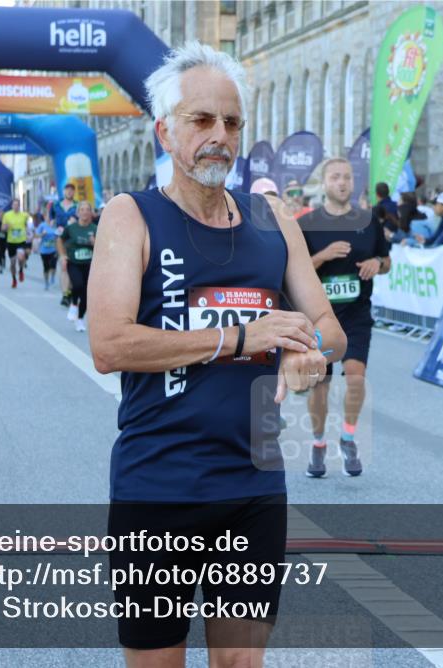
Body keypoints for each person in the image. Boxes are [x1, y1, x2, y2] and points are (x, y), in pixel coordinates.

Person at [86, 42, 346, 664]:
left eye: (232, 123)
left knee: (240, 662)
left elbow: (329, 329)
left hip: (253, 481)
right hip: (159, 484)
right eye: (201, 120)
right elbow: (108, 344)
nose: (220, 136)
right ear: (165, 131)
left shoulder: (271, 219)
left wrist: (305, 352)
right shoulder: (131, 215)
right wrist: (237, 339)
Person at [299, 158, 391, 478]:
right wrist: (322, 257)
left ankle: (348, 437)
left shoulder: (368, 222)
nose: (343, 182)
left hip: (356, 313)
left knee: (355, 376)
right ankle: (319, 442)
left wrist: (378, 263)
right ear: (324, 183)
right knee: (320, 387)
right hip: (321, 317)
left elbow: (387, 259)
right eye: (336, 177)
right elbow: (295, 272)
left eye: (348, 178)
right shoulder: (308, 224)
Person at [57, 200, 96, 331]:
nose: (85, 212)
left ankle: (79, 319)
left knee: (86, 295)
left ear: (91, 213)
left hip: (90, 265)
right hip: (73, 262)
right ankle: (73, 305)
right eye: (82, 210)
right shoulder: (71, 228)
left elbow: (103, 248)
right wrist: (63, 255)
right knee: (78, 285)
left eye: (87, 210)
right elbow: (59, 239)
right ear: (78, 212)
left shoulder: (95, 229)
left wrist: (94, 243)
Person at [1, 199, 29, 288]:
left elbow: (28, 225)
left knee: (21, 258)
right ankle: (14, 279)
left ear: (19, 206)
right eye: (14, 204)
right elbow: (2, 228)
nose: (16, 206)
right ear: (12, 206)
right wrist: (5, 227)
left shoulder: (24, 215)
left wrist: (29, 233)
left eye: (17, 205)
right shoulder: (7, 215)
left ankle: (21, 270)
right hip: (11, 241)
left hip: (21, 240)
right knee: (12, 263)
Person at [35, 214, 60, 289]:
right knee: (46, 267)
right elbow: (36, 235)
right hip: (44, 250)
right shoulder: (42, 225)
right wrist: (42, 234)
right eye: (47, 216)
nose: (49, 218)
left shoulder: (55, 225)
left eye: (50, 217)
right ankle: (46, 282)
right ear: (45, 217)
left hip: (54, 249)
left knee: (53, 265)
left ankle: (52, 276)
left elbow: (59, 236)